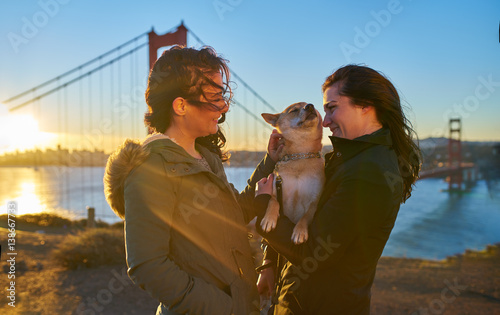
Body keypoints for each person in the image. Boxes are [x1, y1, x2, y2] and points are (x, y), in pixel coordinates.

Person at [103, 46, 281, 315]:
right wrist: (226, 307)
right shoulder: (151, 169)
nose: (223, 107)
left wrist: (270, 160)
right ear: (181, 105)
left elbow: (234, 213)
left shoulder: (205, 158)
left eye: (223, 95)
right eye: (214, 96)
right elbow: (147, 265)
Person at [255, 65, 421, 314]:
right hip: (299, 299)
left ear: (365, 104)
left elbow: (313, 252)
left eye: (332, 108)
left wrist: (260, 207)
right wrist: (269, 261)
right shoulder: (345, 158)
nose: (326, 121)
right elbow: (298, 215)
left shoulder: (370, 173)